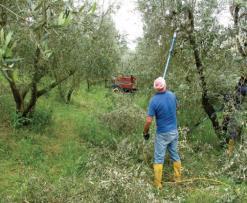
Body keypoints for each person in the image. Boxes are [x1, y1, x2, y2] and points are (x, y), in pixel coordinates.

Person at [143, 77, 181, 189]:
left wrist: (145, 132)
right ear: (165, 85)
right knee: (174, 154)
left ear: (155, 88)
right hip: (174, 131)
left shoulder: (153, 101)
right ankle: (178, 179)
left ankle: (158, 184)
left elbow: (149, 120)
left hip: (162, 134)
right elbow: (178, 107)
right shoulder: (173, 95)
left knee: (159, 158)